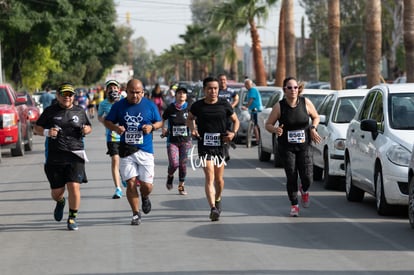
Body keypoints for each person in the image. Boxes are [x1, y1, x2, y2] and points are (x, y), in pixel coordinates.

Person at [34, 82, 92, 231]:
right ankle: (60, 202)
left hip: (75, 154)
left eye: (70, 94)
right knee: (57, 192)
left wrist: (86, 129)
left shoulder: (79, 111)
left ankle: (72, 217)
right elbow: (36, 128)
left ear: (73, 97)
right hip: (55, 156)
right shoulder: (50, 111)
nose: (67, 97)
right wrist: (47, 132)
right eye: (64, 94)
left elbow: (89, 126)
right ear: (58, 96)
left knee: (74, 186)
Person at [104, 79, 162, 226]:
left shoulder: (150, 105)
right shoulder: (119, 106)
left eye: (138, 93)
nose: (135, 96)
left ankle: (145, 196)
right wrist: (116, 128)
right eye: (132, 92)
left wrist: (152, 127)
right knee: (130, 184)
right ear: (126, 92)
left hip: (145, 151)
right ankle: (136, 213)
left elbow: (160, 122)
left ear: (142, 92)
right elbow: (107, 121)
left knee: (146, 186)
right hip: (126, 150)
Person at [265, 76, 322, 217]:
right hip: (287, 147)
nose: (293, 90)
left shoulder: (305, 102)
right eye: (289, 87)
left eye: (295, 87)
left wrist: (313, 128)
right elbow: (268, 124)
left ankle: (304, 189)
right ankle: (294, 204)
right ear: (284, 90)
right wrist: (275, 130)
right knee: (291, 175)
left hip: (304, 145)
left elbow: (316, 117)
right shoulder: (279, 106)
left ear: (298, 89)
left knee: (307, 176)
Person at [186, 76, 239, 222]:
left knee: (219, 180)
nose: (213, 91)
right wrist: (193, 129)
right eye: (210, 88)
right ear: (204, 90)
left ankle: (218, 199)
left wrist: (233, 134)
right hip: (204, 145)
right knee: (209, 176)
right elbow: (189, 119)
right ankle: (213, 209)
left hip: (220, 146)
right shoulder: (198, 106)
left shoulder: (224, 104)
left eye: (215, 88)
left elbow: (236, 120)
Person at [161, 87, 192, 195]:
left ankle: (181, 185)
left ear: (186, 96)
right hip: (172, 141)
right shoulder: (171, 108)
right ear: (176, 95)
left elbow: (194, 120)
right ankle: (170, 176)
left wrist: (195, 130)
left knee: (183, 164)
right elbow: (163, 118)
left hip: (185, 141)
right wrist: (163, 128)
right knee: (174, 164)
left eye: (184, 93)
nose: (181, 95)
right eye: (179, 93)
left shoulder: (189, 108)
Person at [98, 79, 126, 199]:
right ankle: (118, 188)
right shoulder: (103, 104)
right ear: (106, 90)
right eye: (110, 88)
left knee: (125, 161)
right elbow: (100, 117)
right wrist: (107, 123)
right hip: (112, 136)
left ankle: (124, 177)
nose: (113, 90)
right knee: (115, 160)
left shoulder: (124, 101)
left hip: (126, 136)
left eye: (115, 88)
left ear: (119, 90)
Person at [218, 73, 239, 160]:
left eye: (224, 80)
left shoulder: (231, 90)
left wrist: (231, 106)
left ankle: (226, 151)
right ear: (218, 81)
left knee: (227, 133)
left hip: (228, 116)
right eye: (221, 80)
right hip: (218, 116)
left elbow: (236, 98)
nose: (222, 81)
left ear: (226, 81)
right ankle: (222, 151)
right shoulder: (216, 90)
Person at [241, 79, 263, 146]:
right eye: (246, 84)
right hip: (252, 110)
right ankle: (257, 139)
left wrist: (246, 107)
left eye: (248, 84)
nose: (246, 86)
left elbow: (251, 99)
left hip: (256, 110)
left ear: (251, 84)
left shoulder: (253, 90)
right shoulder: (249, 91)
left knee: (255, 125)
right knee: (254, 124)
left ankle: (258, 140)